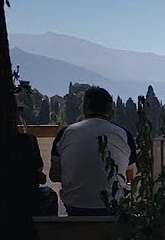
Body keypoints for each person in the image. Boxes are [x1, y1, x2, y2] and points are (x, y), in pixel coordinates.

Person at [50, 86, 137, 216]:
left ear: (83, 109)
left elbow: (55, 175)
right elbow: (130, 176)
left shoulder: (65, 133)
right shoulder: (125, 135)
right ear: (112, 112)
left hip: (76, 207)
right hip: (113, 208)